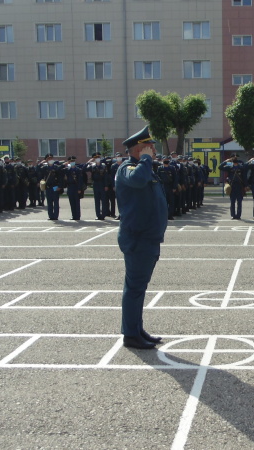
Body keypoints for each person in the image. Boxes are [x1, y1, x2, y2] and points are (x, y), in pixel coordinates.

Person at [116, 125, 168, 350]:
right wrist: (146, 160)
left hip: (149, 236)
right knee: (135, 288)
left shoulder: (145, 169)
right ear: (140, 149)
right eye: (150, 147)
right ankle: (130, 334)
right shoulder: (127, 169)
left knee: (139, 288)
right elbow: (137, 180)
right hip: (138, 238)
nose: (154, 151)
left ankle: (137, 329)